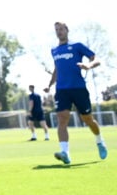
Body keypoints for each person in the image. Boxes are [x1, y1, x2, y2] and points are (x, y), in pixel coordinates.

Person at [46, 21, 107, 164]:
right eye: (56, 30)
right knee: (62, 118)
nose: (59, 32)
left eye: (61, 29)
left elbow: (95, 59)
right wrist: (49, 84)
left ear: (67, 30)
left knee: (87, 119)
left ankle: (99, 141)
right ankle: (65, 153)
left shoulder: (77, 46)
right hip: (61, 90)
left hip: (78, 88)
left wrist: (88, 65)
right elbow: (57, 69)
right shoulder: (54, 50)